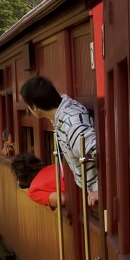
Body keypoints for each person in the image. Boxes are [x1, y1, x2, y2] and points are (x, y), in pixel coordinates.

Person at [19, 75, 99, 207]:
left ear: (35, 107)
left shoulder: (70, 123)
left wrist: (100, 189)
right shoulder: (62, 117)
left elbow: (102, 153)